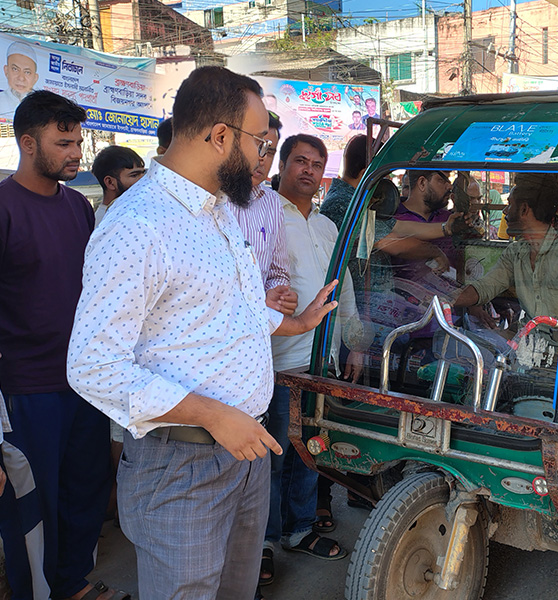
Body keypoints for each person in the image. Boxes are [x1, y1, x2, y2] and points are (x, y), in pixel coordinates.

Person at [66, 66, 338, 600]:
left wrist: (296, 322)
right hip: (183, 464)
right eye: (260, 141)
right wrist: (214, 415)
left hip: (243, 452)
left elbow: (226, 311)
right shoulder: (138, 225)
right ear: (219, 136)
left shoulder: (217, 212)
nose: (266, 156)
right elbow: (93, 365)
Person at [0, 91, 128, 600]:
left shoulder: (79, 207)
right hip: (26, 391)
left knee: (84, 495)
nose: (77, 152)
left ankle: (73, 584)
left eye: (78, 140)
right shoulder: (3, 207)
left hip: (84, 384)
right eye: (63, 142)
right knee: (34, 507)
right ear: (28, 143)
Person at [259, 133, 367, 587]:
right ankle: (263, 542)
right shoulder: (262, 215)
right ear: (282, 165)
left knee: (309, 448)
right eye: (300, 160)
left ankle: (300, 529)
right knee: (272, 456)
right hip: (277, 358)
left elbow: (342, 288)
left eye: (317, 163)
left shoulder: (326, 225)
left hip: (321, 360)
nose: (308, 170)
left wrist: (356, 340)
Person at [453, 173, 558, 361]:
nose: (505, 211)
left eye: (510, 204)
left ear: (524, 209)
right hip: (526, 348)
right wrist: (444, 299)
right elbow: (485, 286)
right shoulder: (515, 252)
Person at [233, 109, 295, 302]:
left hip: (256, 328)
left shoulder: (271, 202)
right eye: (258, 146)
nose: (262, 158)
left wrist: (275, 294)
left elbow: (279, 273)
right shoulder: (210, 198)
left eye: (269, 152)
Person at [90, 145, 146, 226]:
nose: (143, 180)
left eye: (143, 174)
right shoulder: (104, 223)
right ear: (110, 182)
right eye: (134, 175)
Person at [0, 42, 39, 120]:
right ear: (6, 71)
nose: (21, 78)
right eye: (15, 69)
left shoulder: (41, 106)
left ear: (35, 78)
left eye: (27, 72)